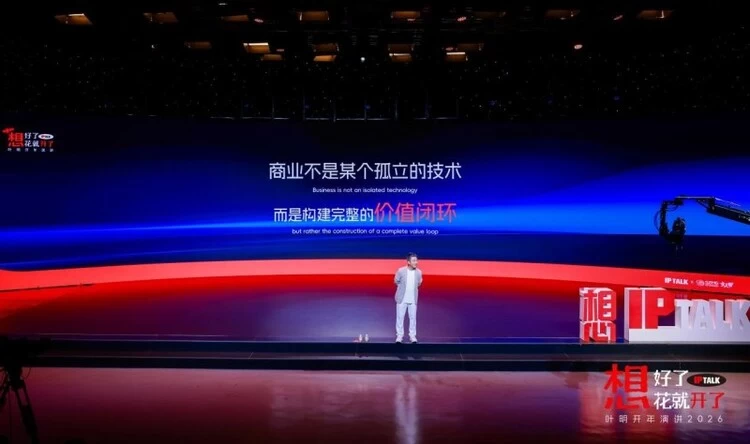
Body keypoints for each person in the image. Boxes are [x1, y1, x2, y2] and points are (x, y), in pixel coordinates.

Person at [394, 252, 423, 343]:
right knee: (400, 318)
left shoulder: (419, 272)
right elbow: (396, 281)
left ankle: (412, 336)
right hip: (402, 298)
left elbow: (419, 283)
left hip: (413, 299)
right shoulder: (401, 271)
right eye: (413, 261)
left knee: (413, 318)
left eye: (416, 260)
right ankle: (399, 336)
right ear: (408, 262)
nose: (416, 262)